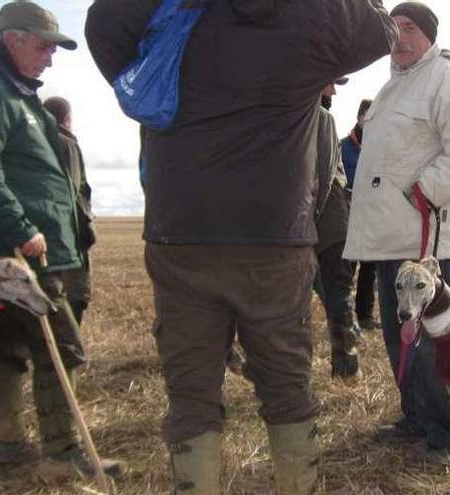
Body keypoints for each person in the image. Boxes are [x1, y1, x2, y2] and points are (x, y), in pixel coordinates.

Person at [85, 1, 396, 492]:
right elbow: (379, 28)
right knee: (286, 386)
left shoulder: (166, 21)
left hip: (180, 236)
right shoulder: (309, 22)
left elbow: (102, 22)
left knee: (190, 394)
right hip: (273, 240)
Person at [0, 1, 121, 480]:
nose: (50, 56)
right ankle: (62, 453)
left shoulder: (17, 96)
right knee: (62, 349)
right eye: (43, 45)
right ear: (12, 40)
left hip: (25, 254)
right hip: (19, 259)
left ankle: (7, 447)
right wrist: (22, 229)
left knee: (5, 348)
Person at [343, 2, 450, 462]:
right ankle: (415, 419)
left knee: (432, 345)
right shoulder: (395, 85)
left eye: (410, 27)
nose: (400, 35)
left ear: (429, 34)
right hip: (392, 239)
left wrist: (424, 192)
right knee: (400, 339)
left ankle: (447, 439)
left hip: (426, 238)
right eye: (393, 27)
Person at [314, 81, 360, 379]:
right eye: (328, 83)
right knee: (336, 295)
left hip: (327, 225)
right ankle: (345, 366)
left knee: (337, 296)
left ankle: (345, 367)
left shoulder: (316, 117)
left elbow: (324, 174)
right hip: (323, 221)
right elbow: (322, 173)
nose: (333, 92)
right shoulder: (318, 118)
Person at [42, 96, 97, 325]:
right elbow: (74, 192)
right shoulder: (67, 144)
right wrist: (86, 230)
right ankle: (68, 347)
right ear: (67, 118)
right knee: (75, 292)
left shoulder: (27, 139)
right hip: (65, 230)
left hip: (35, 229)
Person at [340, 99, 380, 331]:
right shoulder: (343, 147)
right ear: (359, 118)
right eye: (367, 116)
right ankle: (344, 318)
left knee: (370, 267)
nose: (370, 120)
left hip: (373, 216)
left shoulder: (381, 148)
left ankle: (364, 315)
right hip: (347, 216)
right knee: (346, 269)